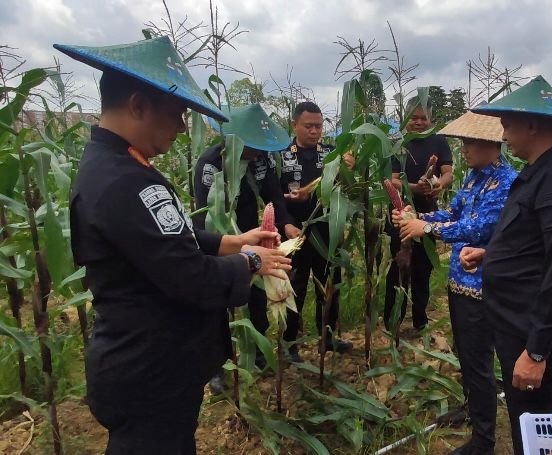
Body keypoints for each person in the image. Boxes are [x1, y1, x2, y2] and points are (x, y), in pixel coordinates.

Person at [56, 37, 290, 454]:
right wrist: (252, 262)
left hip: (149, 368)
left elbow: (159, 242)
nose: (183, 128)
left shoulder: (113, 167)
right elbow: (190, 278)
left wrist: (231, 242)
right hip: (150, 371)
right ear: (138, 105)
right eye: (177, 114)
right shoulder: (125, 180)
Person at [463, 75, 552, 455]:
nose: (502, 135)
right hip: (514, 325)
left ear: (533, 124)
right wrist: (491, 254)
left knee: (537, 431)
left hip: (531, 332)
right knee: (526, 424)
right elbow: (536, 242)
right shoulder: (539, 172)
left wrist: (536, 352)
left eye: (507, 125)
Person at [394, 111, 517, 455]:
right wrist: (417, 217)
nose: (462, 149)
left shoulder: (507, 182)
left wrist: (428, 229)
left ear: (491, 144)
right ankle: (472, 406)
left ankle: (483, 440)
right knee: (466, 352)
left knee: (478, 358)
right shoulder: (474, 178)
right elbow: (454, 214)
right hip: (461, 281)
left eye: (469, 143)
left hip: (482, 285)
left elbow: (479, 227)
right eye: (462, 142)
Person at [193, 103, 297, 393]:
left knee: (256, 298)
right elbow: (205, 214)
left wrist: (286, 224)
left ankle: (260, 354)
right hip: (220, 239)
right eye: (249, 147)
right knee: (217, 307)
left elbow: (274, 196)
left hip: (253, 238)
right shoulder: (211, 164)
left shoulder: (261, 161)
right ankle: (217, 367)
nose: (253, 152)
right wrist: (224, 245)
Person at [278, 101, 355, 362]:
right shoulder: (281, 156)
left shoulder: (333, 155)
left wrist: (348, 169)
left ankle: (328, 336)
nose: (314, 131)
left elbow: (343, 190)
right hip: (294, 233)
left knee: (331, 285)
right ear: (294, 124)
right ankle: (289, 343)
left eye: (319, 126)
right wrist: (287, 213)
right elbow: (273, 197)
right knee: (294, 286)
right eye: (308, 126)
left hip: (327, 231)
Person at [384, 97, 453, 332]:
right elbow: (392, 180)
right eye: (414, 118)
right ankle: (392, 321)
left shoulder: (439, 141)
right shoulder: (396, 143)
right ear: (405, 117)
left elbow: (447, 174)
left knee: (423, 269)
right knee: (398, 268)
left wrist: (437, 186)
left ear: (430, 119)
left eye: (424, 118)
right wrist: (413, 187)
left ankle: (420, 321)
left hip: (428, 215)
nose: (419, 122)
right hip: (400, 213)